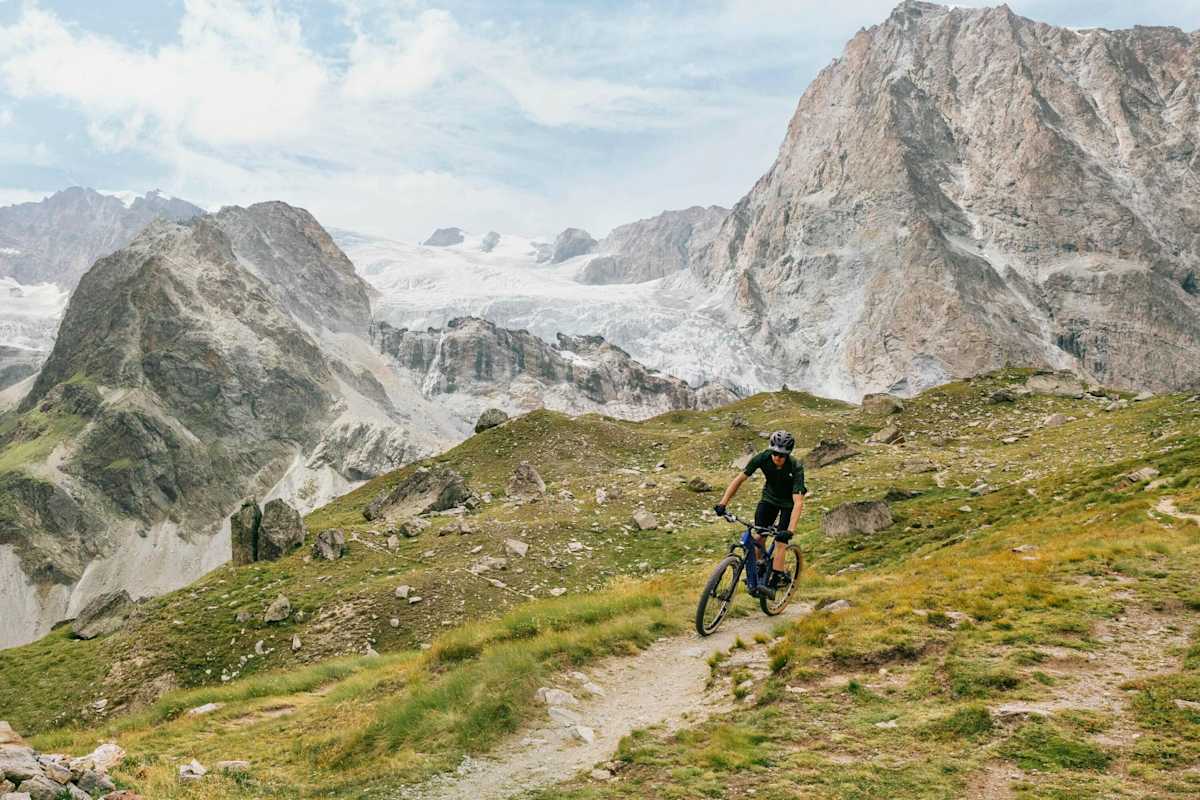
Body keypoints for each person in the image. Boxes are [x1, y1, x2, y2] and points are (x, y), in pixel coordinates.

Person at [714, 430, 806, 599]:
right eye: (775, 453)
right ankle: (759, 567)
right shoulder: (763, 458)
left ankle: (775, 581)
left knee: (780, 542)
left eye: (782, 455)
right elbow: (739, 479)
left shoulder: (795, 467)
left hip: (788, 504)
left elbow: (798, 502)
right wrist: (723, 503)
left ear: (788, 454)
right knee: (758, 535)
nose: (777, 457)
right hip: (769, 499)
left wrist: (790, 530)